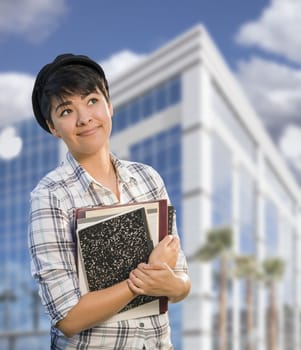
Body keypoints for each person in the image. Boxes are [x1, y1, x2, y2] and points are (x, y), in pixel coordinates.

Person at [29, 53, 191, 350]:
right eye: (66, 111)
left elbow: (181, 282)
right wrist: (142, 280)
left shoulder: (148, 178)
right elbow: (68, 317)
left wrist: (171, 283)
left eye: (92, 100)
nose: (85, 118)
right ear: (53, 127)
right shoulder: (50, 195)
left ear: (109, 105)